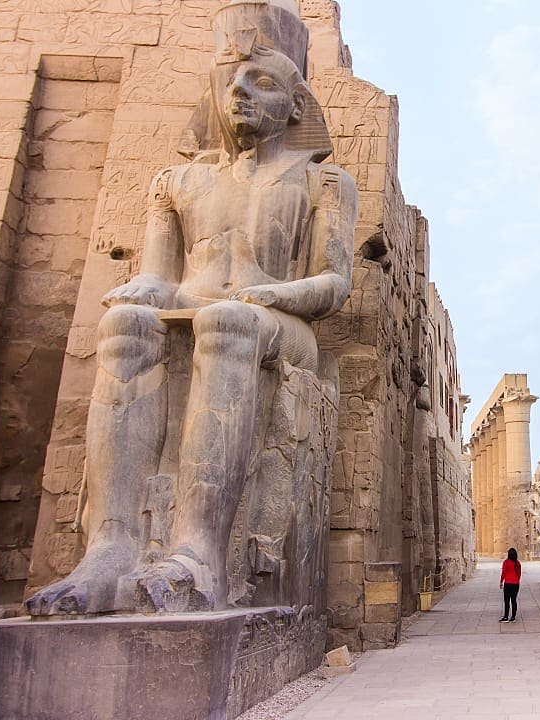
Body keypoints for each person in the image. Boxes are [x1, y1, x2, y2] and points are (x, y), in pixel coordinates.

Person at [26, 0, 356, 616]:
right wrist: (143, 289)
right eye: (228, 80)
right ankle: (111, 546)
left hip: (282, 320)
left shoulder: (320, 181)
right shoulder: (176, 182)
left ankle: (198, 550)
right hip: (203, 304)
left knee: (226, 322)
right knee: (124, 324)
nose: (238, 93)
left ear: (297, 104)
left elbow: (334, 283)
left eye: (260, 82)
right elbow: (158, 273)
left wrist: (273, 293)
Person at [499, 548, 521, 623]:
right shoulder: (518, 563)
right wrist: (517, 581)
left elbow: (503, 573)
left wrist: (501, 582)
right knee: (514, 600)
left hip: (508, 583)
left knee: (507, 601)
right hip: (515, 584)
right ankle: (513, 617)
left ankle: (506, 617)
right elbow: (519, 574)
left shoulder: (506, 562)